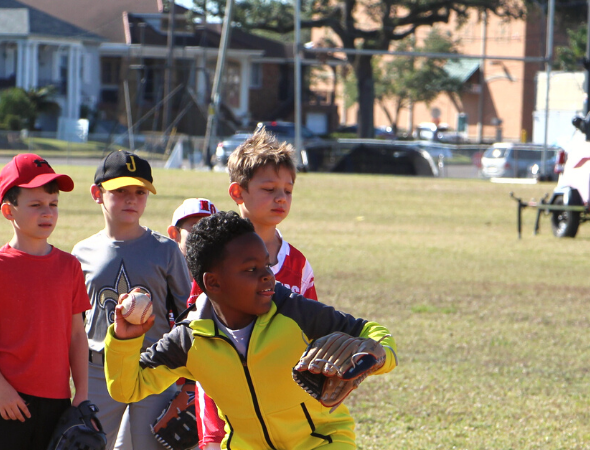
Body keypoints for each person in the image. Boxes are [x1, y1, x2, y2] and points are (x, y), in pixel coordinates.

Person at [105, 211, 398, 450]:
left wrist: (378, 352)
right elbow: (127, 387)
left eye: (266, 265)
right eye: (251, 269)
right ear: (213, 283)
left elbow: (372, 333)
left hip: (322, 442)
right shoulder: (190, 339)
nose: (268, 276)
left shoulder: (294, 311)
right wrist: (124, 340)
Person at [190, 128, 318, 449]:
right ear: (238, 192)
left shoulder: (298, 264)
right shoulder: (215, 256)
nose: (281, 198)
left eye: (288, 190)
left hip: (285, 411)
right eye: (269, 189)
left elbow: (314, 331)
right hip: (225, 411)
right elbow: (193, 331)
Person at [0, 154, 90, 449]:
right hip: (10, 401)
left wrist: (82, 393)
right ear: (8, 211)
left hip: (59, 403)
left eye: (53, 204)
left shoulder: (69, 266)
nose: (47, 212)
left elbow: (77, 335)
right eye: (36, 205)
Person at [73, 150, 192, 449]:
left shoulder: (166, 250)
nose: (131, 199)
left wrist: (190, 379)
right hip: (98, 370)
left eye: (140, 192)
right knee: (90, 443)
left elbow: (188, 315)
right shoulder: (82, 253)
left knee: (148, 445)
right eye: (120, 191)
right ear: (97, 194)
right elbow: (74, 324)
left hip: (154, 368)